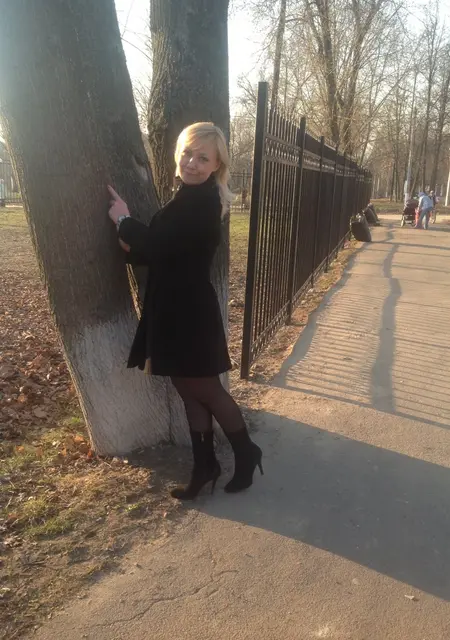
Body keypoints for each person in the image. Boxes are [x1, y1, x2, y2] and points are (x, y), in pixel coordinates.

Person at [107, 122, 263, 500]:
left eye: (203, 158)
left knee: (206, 389)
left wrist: (123, 220)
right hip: (175, 310)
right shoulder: (189, 196)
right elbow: (165, 250)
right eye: (188, 153)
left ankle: (246, 452)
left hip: (189, 315)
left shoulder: (202, 203)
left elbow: (158, 245)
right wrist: (138, 245)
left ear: (217, 165)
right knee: (188, 391)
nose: (192, 163)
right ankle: (204, 466)